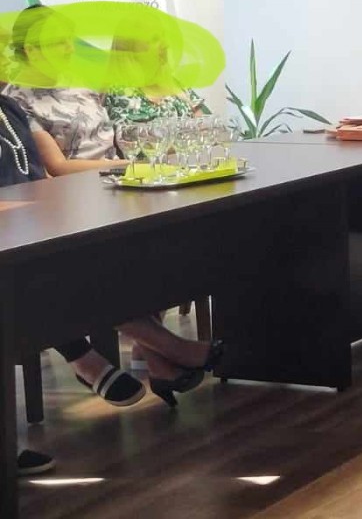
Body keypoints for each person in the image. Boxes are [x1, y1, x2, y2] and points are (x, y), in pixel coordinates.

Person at [0, 92, 221, 413]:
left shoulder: (9, 108)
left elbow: (37, 175)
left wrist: (51, 206)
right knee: (60, 270)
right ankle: (103, 356)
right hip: (13, 235)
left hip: (29, 222)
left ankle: (153, 358)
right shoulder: (21, 100)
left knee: (111, 256)